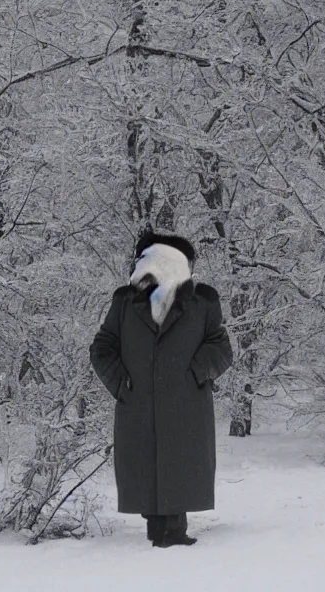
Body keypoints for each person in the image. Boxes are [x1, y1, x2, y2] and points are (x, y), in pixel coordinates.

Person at [90, 230, 234, 547]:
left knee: (181, 466)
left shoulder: (203, 301)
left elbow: (221, 349)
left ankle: (172, 533)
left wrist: (194, 374)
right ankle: (161, 533)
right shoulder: (125, 302)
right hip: (139, 401)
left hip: (186, 404)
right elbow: (102, 347)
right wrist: (120, 383)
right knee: (146, 468)